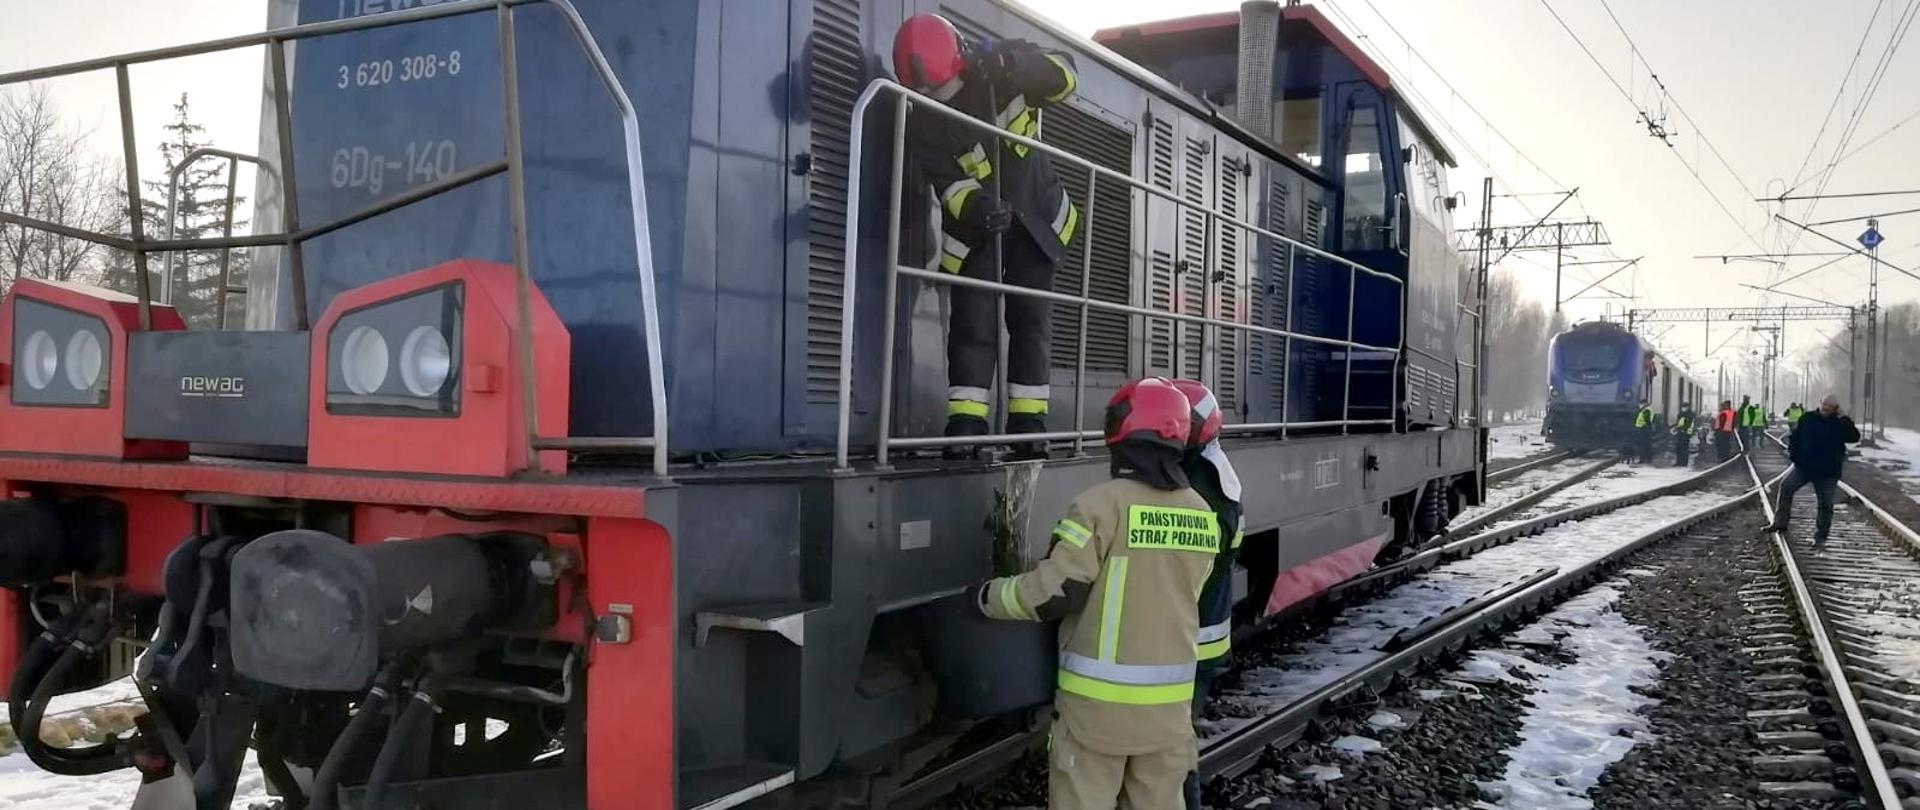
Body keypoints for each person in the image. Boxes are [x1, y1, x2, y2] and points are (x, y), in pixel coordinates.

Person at [977, 377, 1217, 809]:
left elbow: (1054, 594)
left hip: (1097, 715)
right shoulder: (1203, 514)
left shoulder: (1098, 506)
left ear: (1121, 434)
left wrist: (986, 596)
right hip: (1169, 713)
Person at [893, 14, 1080, 458]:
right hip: (978, 232)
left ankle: (1027, 424)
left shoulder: (1001, 66)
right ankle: (966, 423)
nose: (935, 96)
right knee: (971, 327)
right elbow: (948, 183)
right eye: (927, 92)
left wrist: (1015, 64)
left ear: (958, 61)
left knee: (1031, 323)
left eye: (941, 88)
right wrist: (977, 208)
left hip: (1036, 221)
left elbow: (1067, 78)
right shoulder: (923, 121)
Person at [1167, 379, 1240, 810]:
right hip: (1199, 636)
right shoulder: (1215, 472)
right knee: (1174, 742)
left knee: (1174, 748)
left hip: (1190, 640)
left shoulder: (1201, 484)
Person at [1769, 394, 1861, 550]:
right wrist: (1794, 456)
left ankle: (1820, 538)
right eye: (1824, 404)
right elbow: (1795, 438)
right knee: (1786, 487)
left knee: (1825, 504)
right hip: (1804, 467)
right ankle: (1780, 523)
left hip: (1827, 472)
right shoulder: (1808, 418)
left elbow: (1854, 437)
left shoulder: (1839, 423)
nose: (1826, 408)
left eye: (1830, 407)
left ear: (1835, 408)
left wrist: (1845, 419)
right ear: (1820, 403)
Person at [1671, 402, 1695, 467]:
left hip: (1685, 433)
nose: (1683, 408)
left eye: (1684, 407)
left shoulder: (1690, 415)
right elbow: (1679, 422)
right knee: (1679, 447)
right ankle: (1679, 461)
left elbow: (1687, 424)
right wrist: (1676, 428)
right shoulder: (1682, 414)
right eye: (1682, 407)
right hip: (1680, 432)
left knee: (1684, 448)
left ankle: (1683, 463)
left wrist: (1678, 428)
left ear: (1687, 407)